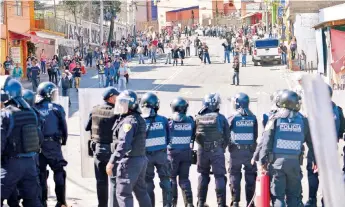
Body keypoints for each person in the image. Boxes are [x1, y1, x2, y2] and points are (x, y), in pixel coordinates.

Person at [258, 90, 316, 207]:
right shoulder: (303, 121)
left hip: (277, 165)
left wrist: (262, 162)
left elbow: (266, 141)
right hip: (294, 164)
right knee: (293, 197)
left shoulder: (274, 119)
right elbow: (311, 142)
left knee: (278, 197)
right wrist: (315, 160)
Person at [0, 76, 43, 207]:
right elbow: (39, 138)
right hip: (30, 165)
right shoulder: (32, 113)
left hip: (11, 165)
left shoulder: (6, 114)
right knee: (33, 202)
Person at [106, 90, 152, 207]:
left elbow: (123, 144)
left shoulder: (128, 121)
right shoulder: (138, 119)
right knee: (141, 192)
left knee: (123, 194)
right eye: (120, 102)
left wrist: (112, 162)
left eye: (123, 103)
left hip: (129, 162)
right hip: (140, 160)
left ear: (130, 104)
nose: (120, 105)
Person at [305, 85, 345, 207]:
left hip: (316, 148)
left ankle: (312, 200)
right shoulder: (337, 110)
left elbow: (309, 132)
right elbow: (342, 129)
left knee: (313, 174)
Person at [35, 82, 68, 207]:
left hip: (38, 146)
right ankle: (61, 201)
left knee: (40, 174)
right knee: (59, 172)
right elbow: (64, 128)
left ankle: (42, 202)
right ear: (48, 94)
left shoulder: (34, 107)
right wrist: (63, 140)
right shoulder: (56, 108)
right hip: (53, 145)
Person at [85, 87, 119, 207]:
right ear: (111, 97)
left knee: (101, 181)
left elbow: (86, 127)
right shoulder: (117, 112)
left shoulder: (95, 110)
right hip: (113, 151)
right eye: (116, 96)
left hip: (98, 150)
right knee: (114, 181)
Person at [195, 93, 230, 207]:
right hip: (217, 150)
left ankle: (200, 202)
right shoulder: (221, 118)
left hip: (202, 150)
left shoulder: (198, 117)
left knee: (203, 175)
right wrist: (221, 148)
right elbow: (227, 136)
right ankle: (221, 204)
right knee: (219, 177)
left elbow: (194, 135)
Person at [140, 92, 172, 207]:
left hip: (146, 157)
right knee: (166, 180)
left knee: (148, 183)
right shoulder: (163, 120)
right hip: (161, 156)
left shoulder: (140, 121)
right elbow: (168, 138)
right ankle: (168, 205)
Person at [227, 93, 258, 207]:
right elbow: (255, 136)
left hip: (235, 151)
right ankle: (250, 202)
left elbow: (226, 132)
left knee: (234, 175)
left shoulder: (233, 117)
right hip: (249, 151)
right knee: (250, 176)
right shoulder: (253, 117)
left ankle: (235, 202)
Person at [168, 97, 195, 207]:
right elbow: (193, 135)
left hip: (172, 154)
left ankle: (173, 203)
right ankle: (189, 203)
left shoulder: (169, 121)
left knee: (172, 178)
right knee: (184, 179)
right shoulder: (190, 120)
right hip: (186, 153)